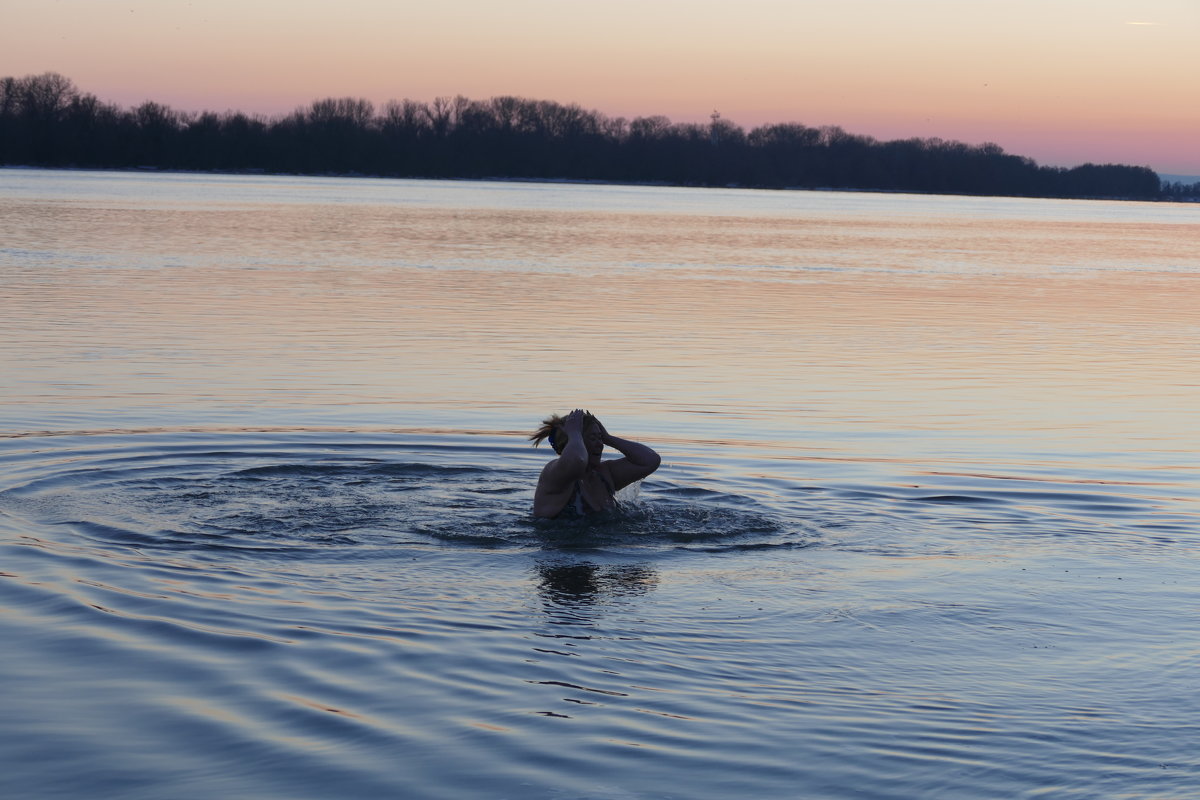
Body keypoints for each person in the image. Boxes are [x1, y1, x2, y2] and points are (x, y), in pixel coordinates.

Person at [530, 409, 661, 519]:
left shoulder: (604, 473)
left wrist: (608, 438)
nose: (600, 444)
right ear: (572, 442)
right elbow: (577, 460)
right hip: (562, 547)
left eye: (600, 438)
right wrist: (574, 434)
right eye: (592, 438)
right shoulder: (554, 474)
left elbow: (650, 461)